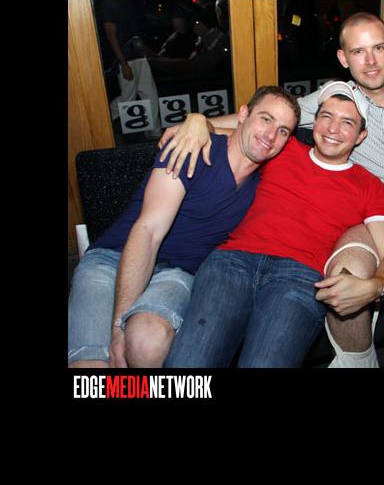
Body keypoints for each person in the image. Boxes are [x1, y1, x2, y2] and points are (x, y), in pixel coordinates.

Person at [158, 12, 384, 368]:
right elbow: (257, 124)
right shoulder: (303, 130)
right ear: (343, 58)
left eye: (377, 48)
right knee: (192, 362)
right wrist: (199, 121)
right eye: (358, 51)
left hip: (376, 235)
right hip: (264, 253)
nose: (370, 61)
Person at [164, 81, 384, 368]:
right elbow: (242, 125)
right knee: (190, 362)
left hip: (299, 277)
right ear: (314, 122)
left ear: (361, 136)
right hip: (232, 262)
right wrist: (197, 120)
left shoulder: (370, 186)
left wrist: (376, 287)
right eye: (326, 116)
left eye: (347, 123)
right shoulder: (281, 147)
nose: (333, 129)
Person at [68, 86, 299, 368]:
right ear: (242, 114)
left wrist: (200, 119)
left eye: (283, 130)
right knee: (91, 371)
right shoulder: (191, 147)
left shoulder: (269, 177)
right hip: (111, 259)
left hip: (177, 273)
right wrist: (119, 328)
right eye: (266, 119)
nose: (271, 135)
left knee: (146, 343)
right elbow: (149, 231)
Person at [94, 0, 162, 137]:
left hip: (138, 56)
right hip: (125, 58)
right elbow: (111, 35)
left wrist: (148, 53)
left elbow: (135, 33)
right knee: (127, 99)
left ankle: (155, 132)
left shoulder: (130, 2)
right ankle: (100, 122)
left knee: (150, 96)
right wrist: (123, 63)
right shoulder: (108, 2)